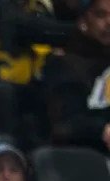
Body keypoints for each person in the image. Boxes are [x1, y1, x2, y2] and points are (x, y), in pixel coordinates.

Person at [41, 0, 110, 155]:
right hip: (84, 159)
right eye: (101, 15)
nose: (109, 22)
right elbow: (65, 125)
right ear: (83, 21)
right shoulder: (65, 65)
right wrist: (101, 130)